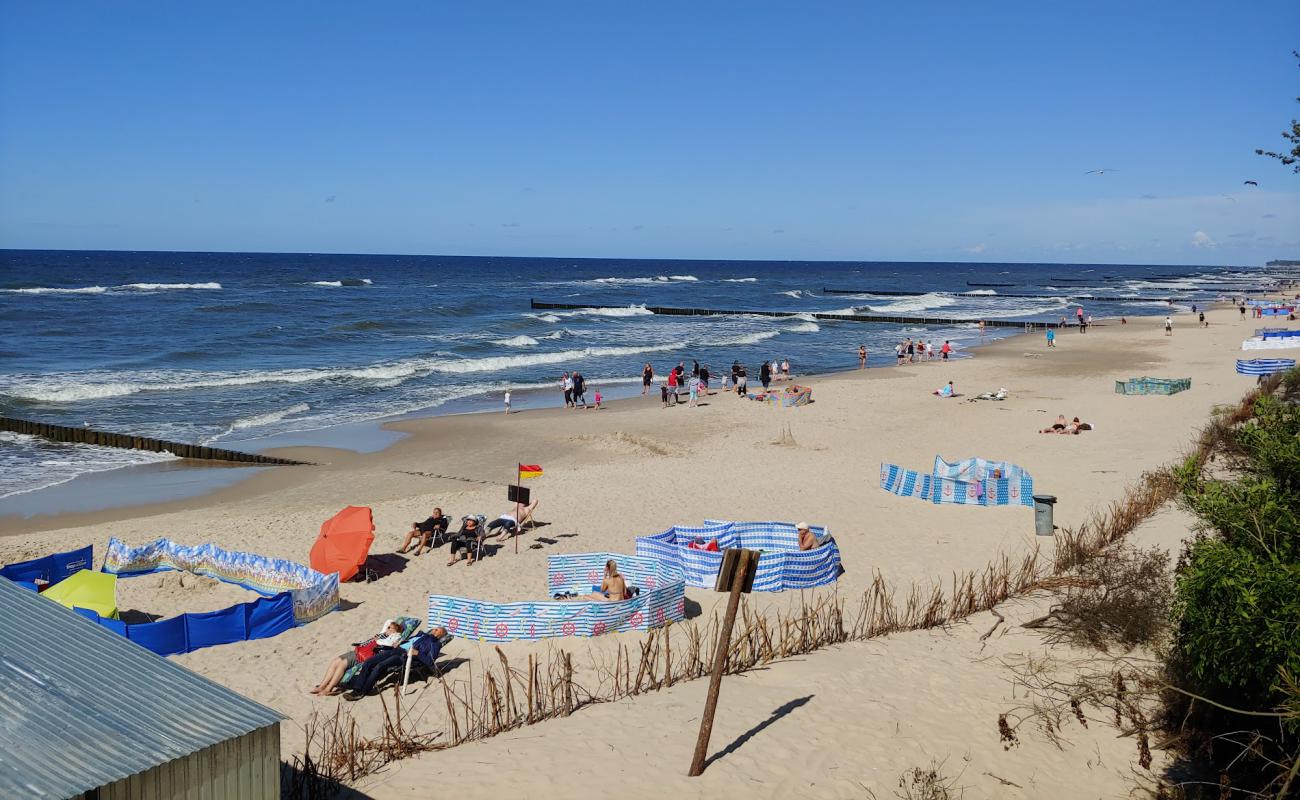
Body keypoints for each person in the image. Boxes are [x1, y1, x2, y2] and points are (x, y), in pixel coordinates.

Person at [343, 625, 448, 700]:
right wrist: (399, 643)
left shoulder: (435, 644)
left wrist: (417, 653)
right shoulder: (423, 635)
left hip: (404, 656)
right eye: (435, 628)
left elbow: (430, 661)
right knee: (368, 662)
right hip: (396, 649)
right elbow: (409, 641)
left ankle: (361, 692)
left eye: (437, 630)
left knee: (380, 666)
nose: (434, 630)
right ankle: (357, 687)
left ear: (441, 634)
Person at [309, 619, 404, 696]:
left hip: (361, 656)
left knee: (341, 665)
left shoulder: (391, 639)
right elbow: (388, 621)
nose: (387, 629)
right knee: (335, 661)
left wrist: (394, 633)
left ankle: (328, 689)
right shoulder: (382, 634)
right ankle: (322, 686)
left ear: (394, 632)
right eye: (387, 627)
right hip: (357, 651)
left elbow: (393, 641)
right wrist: (386, 630)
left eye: (390, 628)